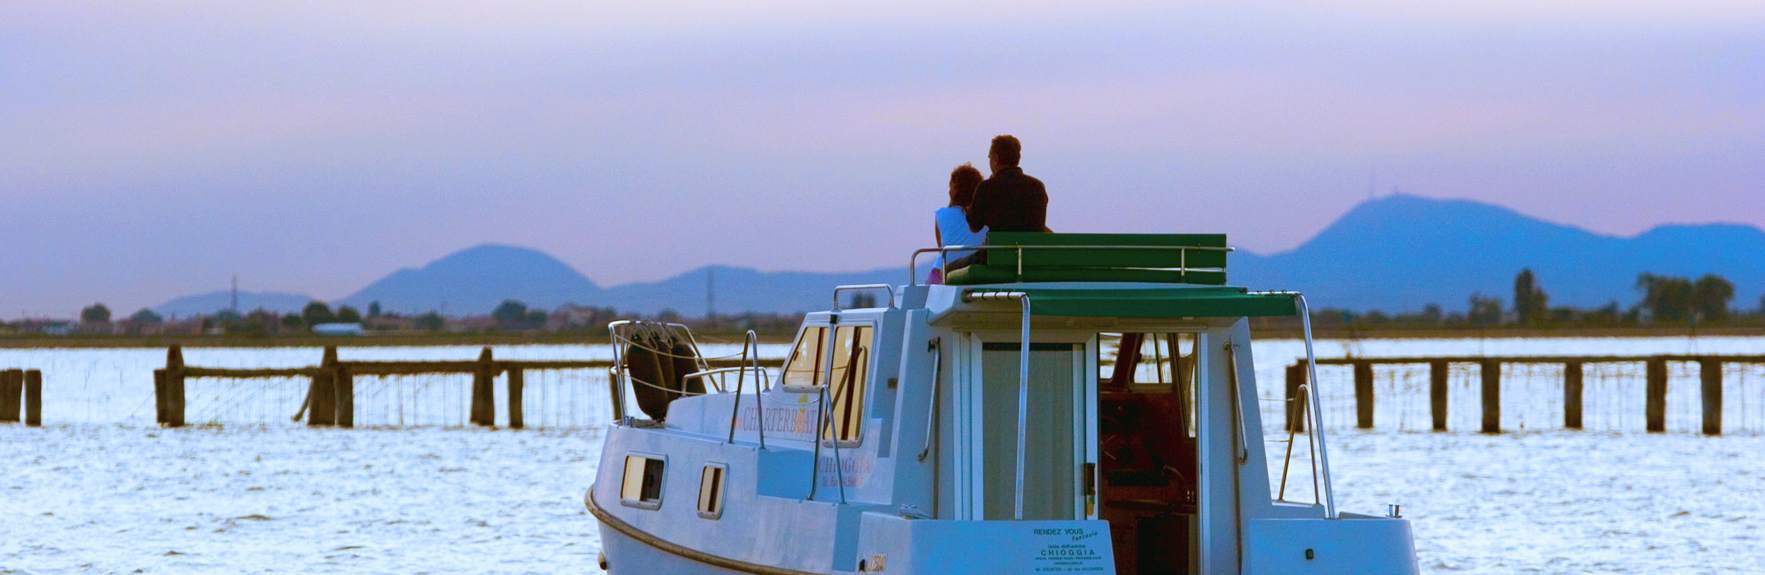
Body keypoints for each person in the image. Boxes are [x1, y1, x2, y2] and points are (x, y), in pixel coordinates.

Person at [944, 135, 1047, 271]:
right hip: (1032, 258)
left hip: (993, 258)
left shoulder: (987, 187)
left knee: (947, 269)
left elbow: (974, 227)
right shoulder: (1037, 187)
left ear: (996, 159)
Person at [929, 164, 986, 284]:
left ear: (955, 188)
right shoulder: (986, 215)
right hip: (977, 271)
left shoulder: (941, 214)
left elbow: (942, 249)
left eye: (950, 187)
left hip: (944, 272)